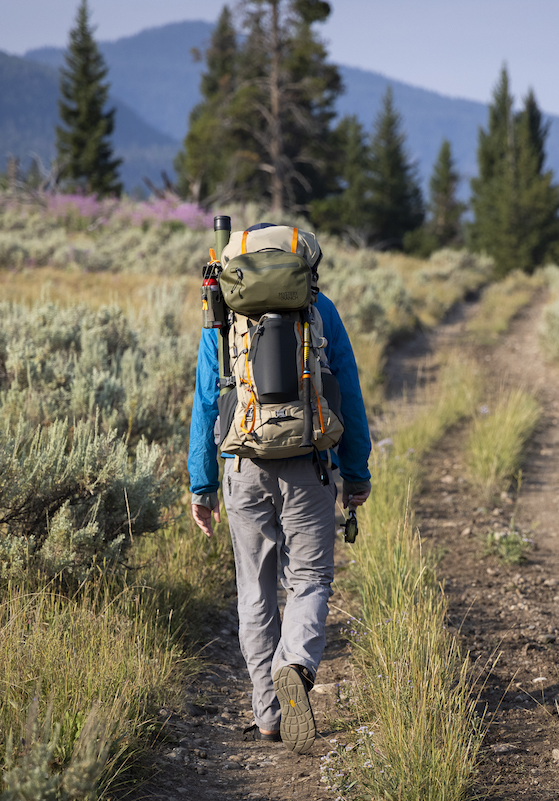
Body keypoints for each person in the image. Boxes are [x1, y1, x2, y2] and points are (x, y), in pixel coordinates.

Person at [188, 233, 372, 755]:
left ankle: (268, 713)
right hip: (310, 462)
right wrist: (355, 473)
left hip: (242, 464)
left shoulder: (220, 315)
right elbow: (348, 390)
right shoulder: (320, 308)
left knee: (255, 590)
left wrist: (202, 484)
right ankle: (296, 663)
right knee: (309, 578)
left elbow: (207, 398)